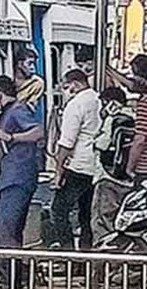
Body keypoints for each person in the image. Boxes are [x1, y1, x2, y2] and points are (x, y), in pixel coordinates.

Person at [0, 76, 45, 255]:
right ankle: (14, 269)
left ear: (0, 94)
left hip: (17, 177)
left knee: (6, 228)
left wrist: (12, 137)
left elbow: (38, 132)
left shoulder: (17, 110)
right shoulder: (4, 116)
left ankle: (9, 270)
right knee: (11, 229)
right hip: (10, 176)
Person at [49, 69, 101, 250]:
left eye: (67, 87)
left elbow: (67, 142)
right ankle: (86, 254)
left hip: (78, 166)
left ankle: (68, 252)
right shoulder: (98, 99)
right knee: (86, 214)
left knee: (58, 210)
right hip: (96, 166)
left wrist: (58, 171)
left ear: (76, 84)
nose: (66, 91)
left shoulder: (76, 104)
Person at [106, 54, 147, 188]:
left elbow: (140, 139)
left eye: (136, 77)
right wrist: (109, 69)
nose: (133, 81)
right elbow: (131, 85)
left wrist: (129, 168)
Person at [90, 87, 136, 242]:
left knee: (103, 218)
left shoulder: (112, 119)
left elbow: (102, 144)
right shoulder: (134, 116)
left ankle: (103, 250)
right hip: (128, 177)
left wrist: (96, 138)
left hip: (108, 175)